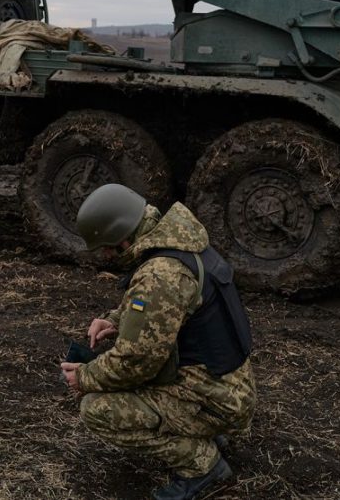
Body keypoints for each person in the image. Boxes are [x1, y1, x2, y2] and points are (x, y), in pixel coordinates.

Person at [60, 183, 256, 500]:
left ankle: (202, 463)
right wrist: (114, 319)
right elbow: (166, 308)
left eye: (108, 247)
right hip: (227, 385)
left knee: (96, 409)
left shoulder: (159, 274)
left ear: (122, 234)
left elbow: (135, 361)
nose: (107, 255)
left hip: (214, 398)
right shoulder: (181, 241)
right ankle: (205, 431)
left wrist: (84, 377)